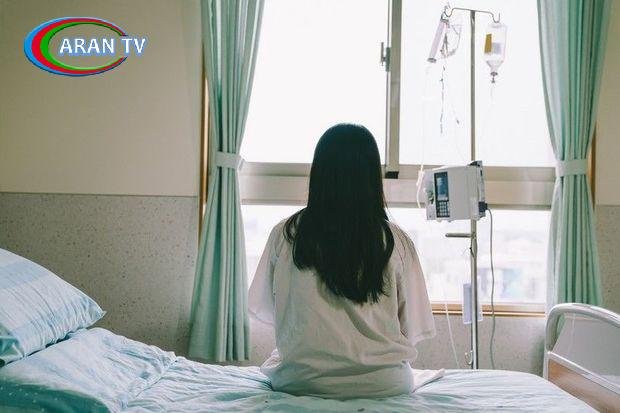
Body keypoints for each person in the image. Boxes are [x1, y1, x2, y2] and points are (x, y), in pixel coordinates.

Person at [249, 123, 435, 399]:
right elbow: (411, 326)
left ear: (319, 174)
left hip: (300, 381)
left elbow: (270, 310)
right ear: (372, 178)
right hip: (383, 383)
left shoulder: (285, 235)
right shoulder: (396, 242)